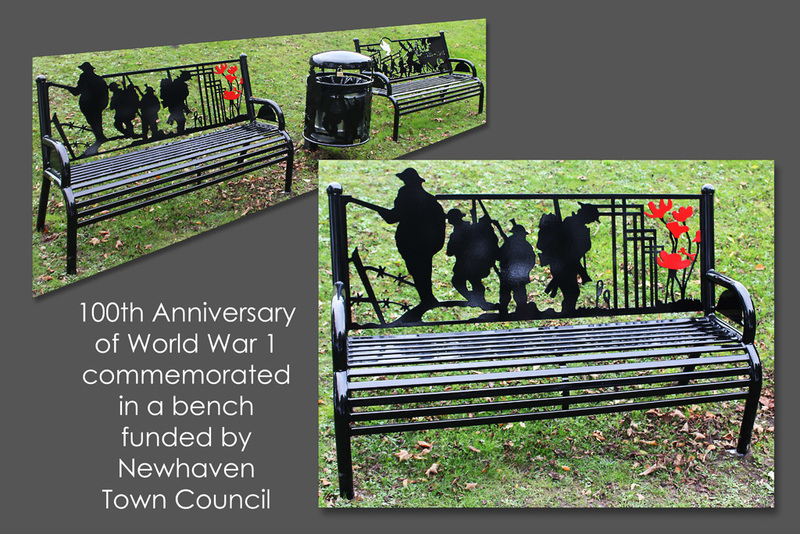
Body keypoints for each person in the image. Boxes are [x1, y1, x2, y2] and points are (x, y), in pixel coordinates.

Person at [374, 168, 445, 307]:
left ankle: (427, 298)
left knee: (419, 272)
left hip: (413, 243)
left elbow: (393, 217)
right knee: (423, 271)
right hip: (425, 244)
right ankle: (427, 298)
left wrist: (381, 211)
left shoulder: (406, 195)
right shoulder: (430, 201)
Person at [537, 203, 600, 313]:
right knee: (572, 292)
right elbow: (571, 247)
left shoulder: (575, 224)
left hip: (567, 264)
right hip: (562, 264)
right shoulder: (572, 224)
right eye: (591, 218)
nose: (591, 221)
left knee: (572, 292)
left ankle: (567, 311)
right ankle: (567, 312)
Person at [446, 209, 499, 310]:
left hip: (469, 263)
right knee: (473, 282)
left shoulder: (459, 232)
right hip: (471, 263)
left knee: (461, 281)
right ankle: (477, 300)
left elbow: (450, 252)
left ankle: (478, 300)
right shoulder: (468, 229)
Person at [498, 219, 537, 315]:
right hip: (509, 274)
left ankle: (520, 310)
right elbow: (499, 255)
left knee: (519, 295)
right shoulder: (512, 244)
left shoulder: (524, 246)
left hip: (517, 275)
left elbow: (531, 260)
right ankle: (504, 311)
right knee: (505, 295)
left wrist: (524, 271)